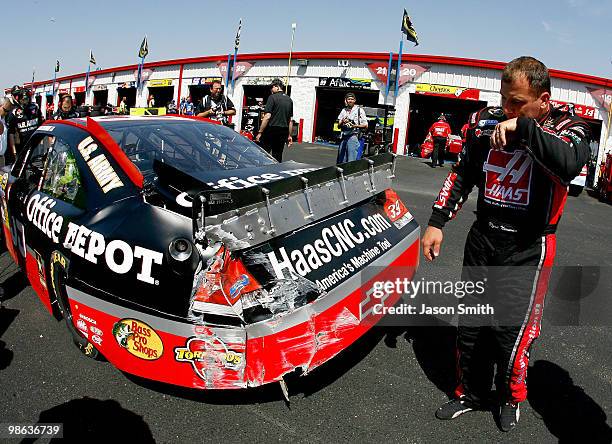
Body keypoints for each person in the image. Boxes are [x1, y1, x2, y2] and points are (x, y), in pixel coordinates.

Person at [421, 56, 591, 432]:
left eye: (517, 102)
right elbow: (462, 173)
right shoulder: (485, 123)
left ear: (543, 101)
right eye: (504, 100)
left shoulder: (569, 127)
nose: (506, 109)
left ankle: (511, 396)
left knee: (510, 331)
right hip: (484, 238)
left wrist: (523, 128)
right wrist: (436, 222)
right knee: (471, 326)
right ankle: (472, 392)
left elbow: (568, 163)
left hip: (529, 247)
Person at [255, 79, 293, 162]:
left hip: (271, 129)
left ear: (277, 86)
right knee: (278, 155)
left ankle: (262, 172)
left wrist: (260, 132)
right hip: (283, 131)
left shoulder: (272, 98)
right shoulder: (289, 100)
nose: (271, 90)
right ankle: (276, 172)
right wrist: (289, 135)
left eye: (272, 87)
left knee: (264, 154)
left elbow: (267, 116)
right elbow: (290, 120)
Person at [5, 86, 43, 166]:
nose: (25, 102)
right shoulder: (14, 113)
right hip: (21, 147)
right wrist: (14, 152)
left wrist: (41, 143)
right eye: (22, 100)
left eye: (26, 99)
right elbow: (11, 133)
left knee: (37, 167)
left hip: (36, 146)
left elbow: (41, 125)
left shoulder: (35, 107)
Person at [336, 92, 368, 163]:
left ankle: (350, 174)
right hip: (344, 137)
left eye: (352, 99)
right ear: (346, 100)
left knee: (351, 160)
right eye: (348, 99)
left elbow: (365, 125)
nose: (350, 100)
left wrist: (354, 125)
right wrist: (342, 122)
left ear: (355, 100)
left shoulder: (359, 110)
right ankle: (341, 173)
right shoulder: (344, 110)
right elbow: (338, 125)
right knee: (341, 160)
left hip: (353, 136)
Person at [0, 97, 15, 168]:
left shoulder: (4, 119)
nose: (6, 113)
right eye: (5, 110)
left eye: (8, 111)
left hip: (2, 157)